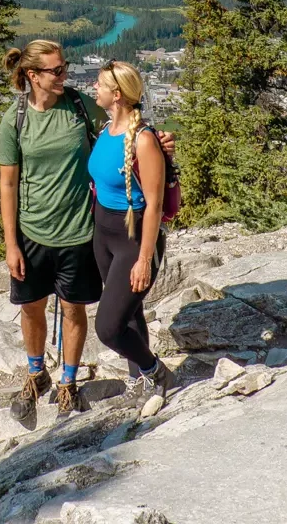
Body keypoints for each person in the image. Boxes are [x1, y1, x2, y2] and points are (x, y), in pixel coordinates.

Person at [0, 40, 175, 421]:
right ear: (33, 76)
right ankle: (35, 374)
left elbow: (127, 122)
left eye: (66, 67)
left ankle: (69, 382)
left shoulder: (79, 106)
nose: (66, 75)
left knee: (74, 308)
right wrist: (11, 243)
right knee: (31, 308)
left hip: (81, 229)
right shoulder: (15, 119)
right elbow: (8, 185)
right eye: (57, 70)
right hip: (33, 231)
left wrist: (159, 143)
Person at [90, 59, 171, 404]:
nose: (94, 87)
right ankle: (139, 380)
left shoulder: (144, 140)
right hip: (104, 234)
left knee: (107, 328)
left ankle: (155, 372)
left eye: (100, 83)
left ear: (117, 95)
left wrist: (143, 260)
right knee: (129, 314)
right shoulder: (106, 130)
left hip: (133, 239)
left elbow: (153, 205)